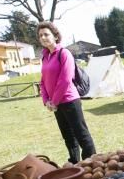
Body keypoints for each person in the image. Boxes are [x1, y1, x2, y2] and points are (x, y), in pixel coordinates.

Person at [37, 21, 96, 164]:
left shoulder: (64, 53)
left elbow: (65, 80)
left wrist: (54, 102)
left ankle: (91, 163)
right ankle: (74, 164)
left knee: (81, 134)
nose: (43, 37)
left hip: (70, 101)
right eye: (40, 35)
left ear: (55, 36)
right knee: (68, 137)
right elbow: (43, 81)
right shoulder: (45, 56)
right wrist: (46, 101)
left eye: (46, 34)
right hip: (55, 104)